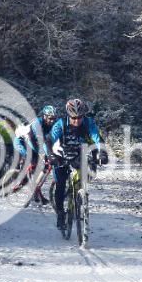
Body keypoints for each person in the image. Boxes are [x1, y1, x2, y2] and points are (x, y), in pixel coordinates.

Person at [49, 98, 108, 229]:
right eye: (73, 118)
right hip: (60, 154)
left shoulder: (88, 122)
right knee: (60, 183)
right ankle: (60, 214)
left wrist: (102, 153)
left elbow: (97, 138)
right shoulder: (61, 124)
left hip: (78, 154)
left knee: (89, 172)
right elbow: (49, 140)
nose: (77, 121)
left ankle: (79, 194)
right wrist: (50, 155)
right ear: (68, 115)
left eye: (79, 117)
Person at [13, 105, 58, 203]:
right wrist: (42, 154)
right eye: (50, 118)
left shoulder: (52, 126)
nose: (52, 121)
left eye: (54, 118)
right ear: (45, 116)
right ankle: (20, 181)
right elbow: (33, 142)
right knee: (32, 160)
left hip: (34, 143)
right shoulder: (37, 123)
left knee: (44, 166)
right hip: (21, 141)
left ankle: (36, 190)